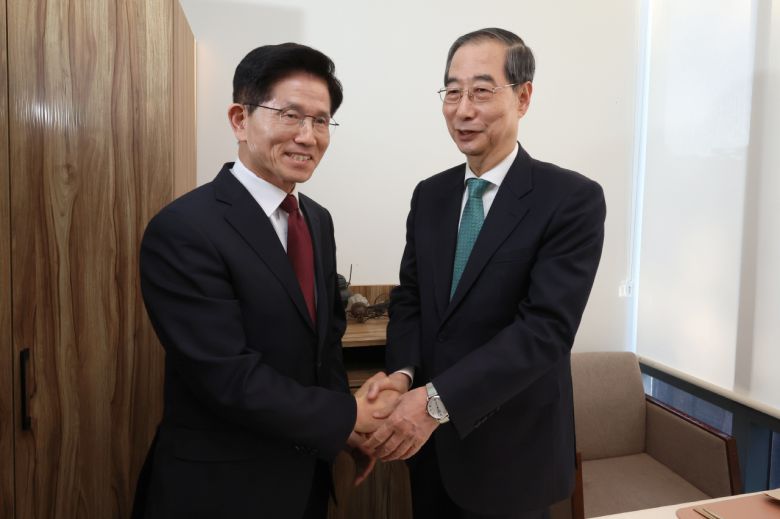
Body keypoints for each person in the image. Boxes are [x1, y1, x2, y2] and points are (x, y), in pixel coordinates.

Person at [132, 43, 395, 519]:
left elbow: (325, 344)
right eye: (290, 116)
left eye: (321, 121)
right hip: (220, 489)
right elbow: (226, 375)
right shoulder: (184, 228)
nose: (307, 136)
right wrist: (347, 416)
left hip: (304, 480)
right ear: (240, 119)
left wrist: (343, 432)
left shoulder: (317, 219)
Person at [364, 28, 607, 519]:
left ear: (524, 97)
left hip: (512, 455)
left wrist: (434, 403)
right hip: (429, 452)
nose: (463, 109)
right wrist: (402, 374)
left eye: (480, 91)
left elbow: (545, 331)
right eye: (452, 92)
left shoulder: (570, 199)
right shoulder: (429, 195)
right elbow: (411, 298)